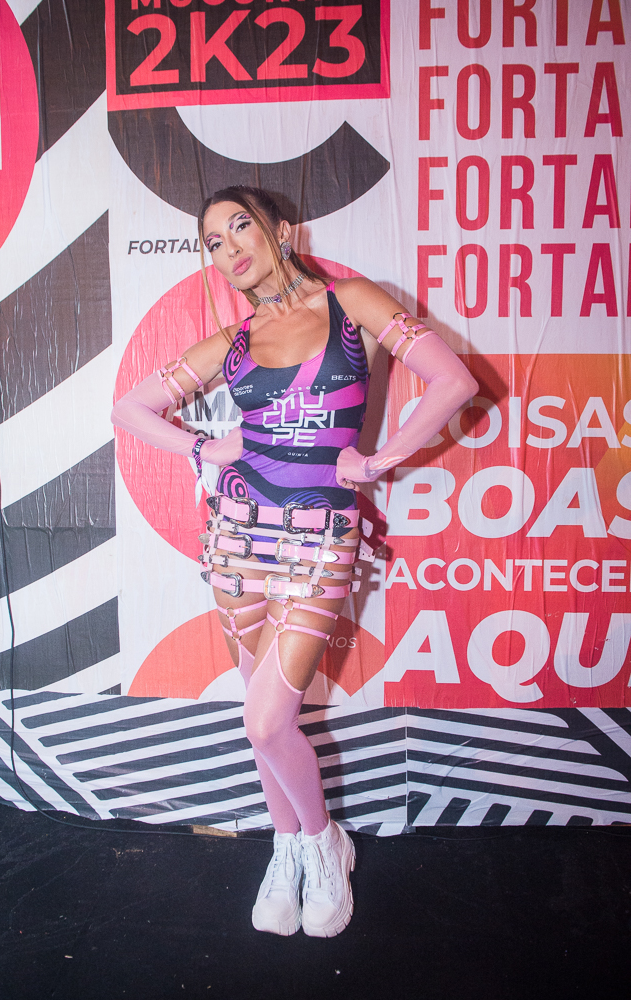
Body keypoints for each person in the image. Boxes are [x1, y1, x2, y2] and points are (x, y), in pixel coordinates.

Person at [111, 186, 478, 938]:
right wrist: (205, 446)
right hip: (237, 538)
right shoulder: (234, 342)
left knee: (265, 719)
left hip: (319, 538)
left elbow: (455, 382)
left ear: (283, 231)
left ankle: (323, 839)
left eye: (239, 226)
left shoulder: (352, 303)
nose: (228, 248)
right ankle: (288, 847)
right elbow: (130, 409)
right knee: (263, 719)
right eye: (213, 242)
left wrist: (378, 461)